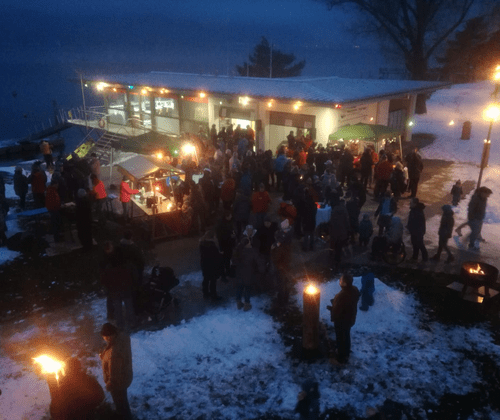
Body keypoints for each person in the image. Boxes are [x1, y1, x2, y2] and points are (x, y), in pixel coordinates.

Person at [100, 323, 133, 420]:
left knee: (120, 404)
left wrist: (110, 384)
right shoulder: (121, 338)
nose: (104, 339)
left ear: (109, 336)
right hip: (125, 376)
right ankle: (127, 415)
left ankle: (124, 417)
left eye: (105, 337)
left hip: (117, 383)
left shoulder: (114, 351)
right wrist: (104, 356)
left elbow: (114, 370)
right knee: (123, 401)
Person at [327, 273, 359, 364]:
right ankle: (346, 352)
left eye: (341, 280)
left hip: (341, 321)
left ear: (344, 283)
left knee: (340, 338)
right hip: (350, 319)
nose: (339, 281)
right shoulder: (354, 290)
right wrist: (335, 302)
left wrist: (332, 309)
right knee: (346, 336)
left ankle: (340, 359)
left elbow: (338, 311)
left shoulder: (343, 295)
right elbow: (347, 304)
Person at [233, 235, 260, 311]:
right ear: (248, 244)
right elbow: (258, 261)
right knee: (247, 288)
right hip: (248, 273)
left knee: (239, 288)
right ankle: (247, 304)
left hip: (239, 272)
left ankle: (238, 302)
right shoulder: (252, 251)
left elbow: (234, 261)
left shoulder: (237, 251)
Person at [199, 230, 223, 300]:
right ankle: (214, 295)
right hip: (212, 265)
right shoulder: (212, 245)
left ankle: (205, 293)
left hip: (204, 264)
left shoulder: (202, 243)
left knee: (206, 279)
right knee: (213, 280)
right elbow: (216, 256)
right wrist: (221, 255)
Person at [329, 201, 350, 273]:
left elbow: (331, 221)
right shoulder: (344, 211)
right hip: (342, 233)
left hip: (334, 232)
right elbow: (347, 222)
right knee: (339, 248)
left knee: (333, 246)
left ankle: (332, 259)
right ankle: (337, 263)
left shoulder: (334, 210)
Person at [216, 211, 236, 282]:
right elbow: (220, 237)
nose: (231, 216)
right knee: (224, 261)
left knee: (227, 260)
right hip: (225, 245)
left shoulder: (228, 222)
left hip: (228, 245)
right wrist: (221, 249)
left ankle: (228, 272)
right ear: (227, 216)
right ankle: (223, 276)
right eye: (230, 215)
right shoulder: (222, 225)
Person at [407, 197, 428, 262]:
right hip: (416, 231)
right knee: (416, 244)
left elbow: (415, 222)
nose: (410, 204)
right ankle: (415, 257)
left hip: (417, 231)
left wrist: (410, 227)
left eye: (411, 203)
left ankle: (423, 258)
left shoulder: (416, 211)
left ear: (415, 204)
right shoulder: (416, 210)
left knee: (419, 244)